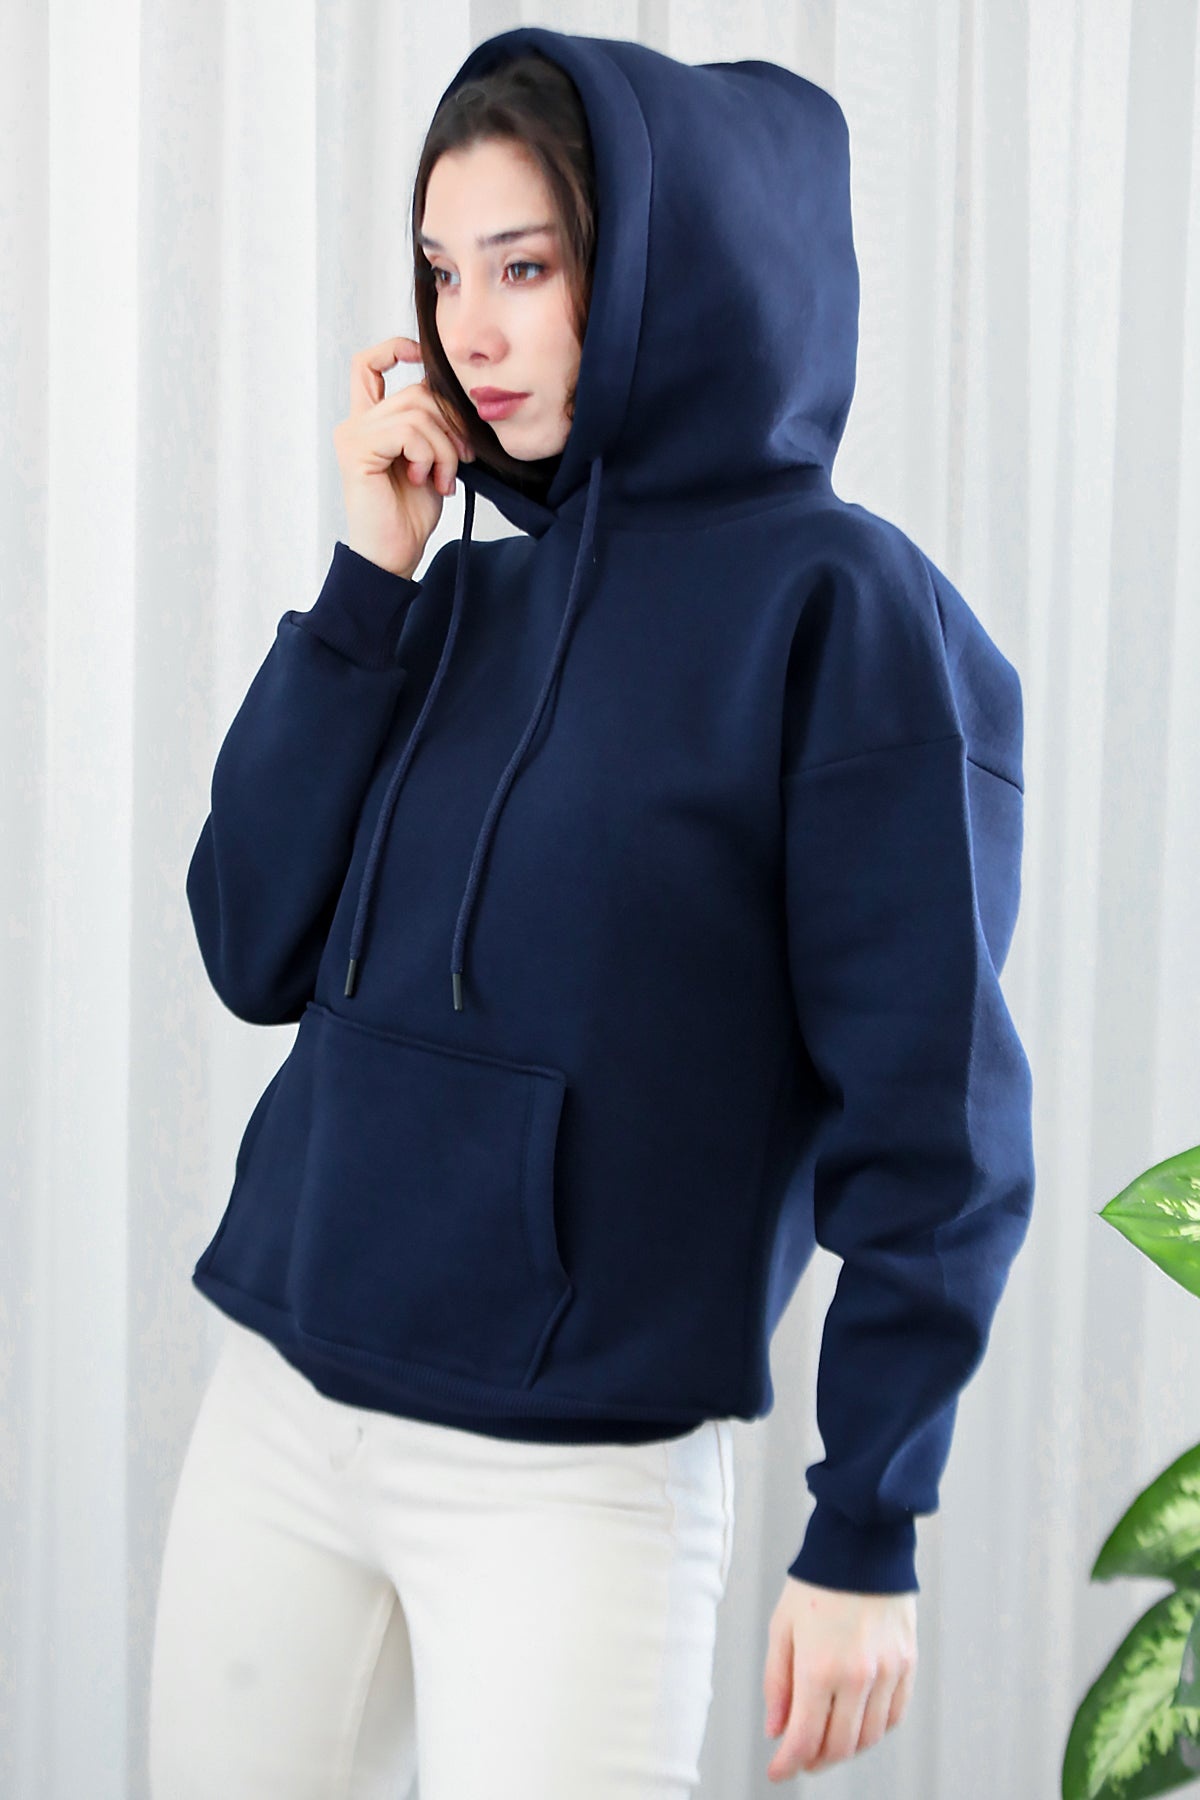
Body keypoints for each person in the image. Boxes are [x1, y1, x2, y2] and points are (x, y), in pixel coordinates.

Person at [149, 25, 1036, 1798]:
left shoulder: (845, 613)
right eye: (440, 272)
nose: (470, 333)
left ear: (654, 273)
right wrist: (368, 579)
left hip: (569, 1476)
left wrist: (867, 1527)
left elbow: (932, 1115)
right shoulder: (455, 593)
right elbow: (249, 940)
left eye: (527, 268)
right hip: (284, 1414)